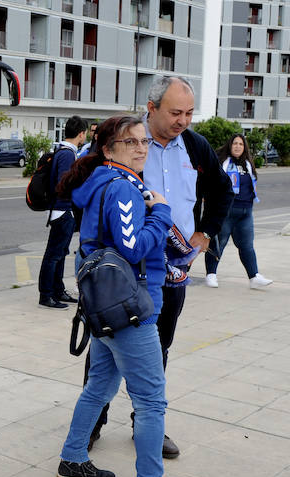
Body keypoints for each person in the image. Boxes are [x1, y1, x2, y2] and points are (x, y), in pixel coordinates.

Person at [87, 76, 232, 457]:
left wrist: (205, 234)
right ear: (151, 109)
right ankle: (93, 422)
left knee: (159, 346)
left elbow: (221, 191)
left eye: (188, 112)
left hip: (172, 268)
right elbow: (87, 188)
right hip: (122, 270)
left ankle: (147, 423)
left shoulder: (195, 146)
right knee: (104, 344)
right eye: (175, 113)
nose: (183, 120)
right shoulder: (125, 139)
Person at [55, 115, 183, 477]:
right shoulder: (124, 189)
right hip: (130, 308)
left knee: (99, 386)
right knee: (150, 403)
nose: (142, 148)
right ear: (109, 150)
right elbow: (131, 248)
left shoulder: (99, 185)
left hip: (106, 305)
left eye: (144, 141)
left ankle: (73, 457)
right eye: (131, 143)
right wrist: (161, 214)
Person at [205, 133, 272, 289]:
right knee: (218, 244)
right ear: (230, 145)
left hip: (246, 211)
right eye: (235, 143)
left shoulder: (248, 164)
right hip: (226, 211)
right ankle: (211, 274)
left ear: (244, 147)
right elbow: (210, 181)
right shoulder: (222, 162)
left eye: (241, 144)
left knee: (247, 245)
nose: (237, 146)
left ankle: (254, 277)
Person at [37, 115, 88, 309]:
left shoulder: (64, 151)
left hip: (62, 210)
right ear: (81, 134)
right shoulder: (67, 154)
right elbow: (64, 184)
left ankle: (57, 291)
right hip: (63, 211)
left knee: (58, 254)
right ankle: (47, 295)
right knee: (54, 255)